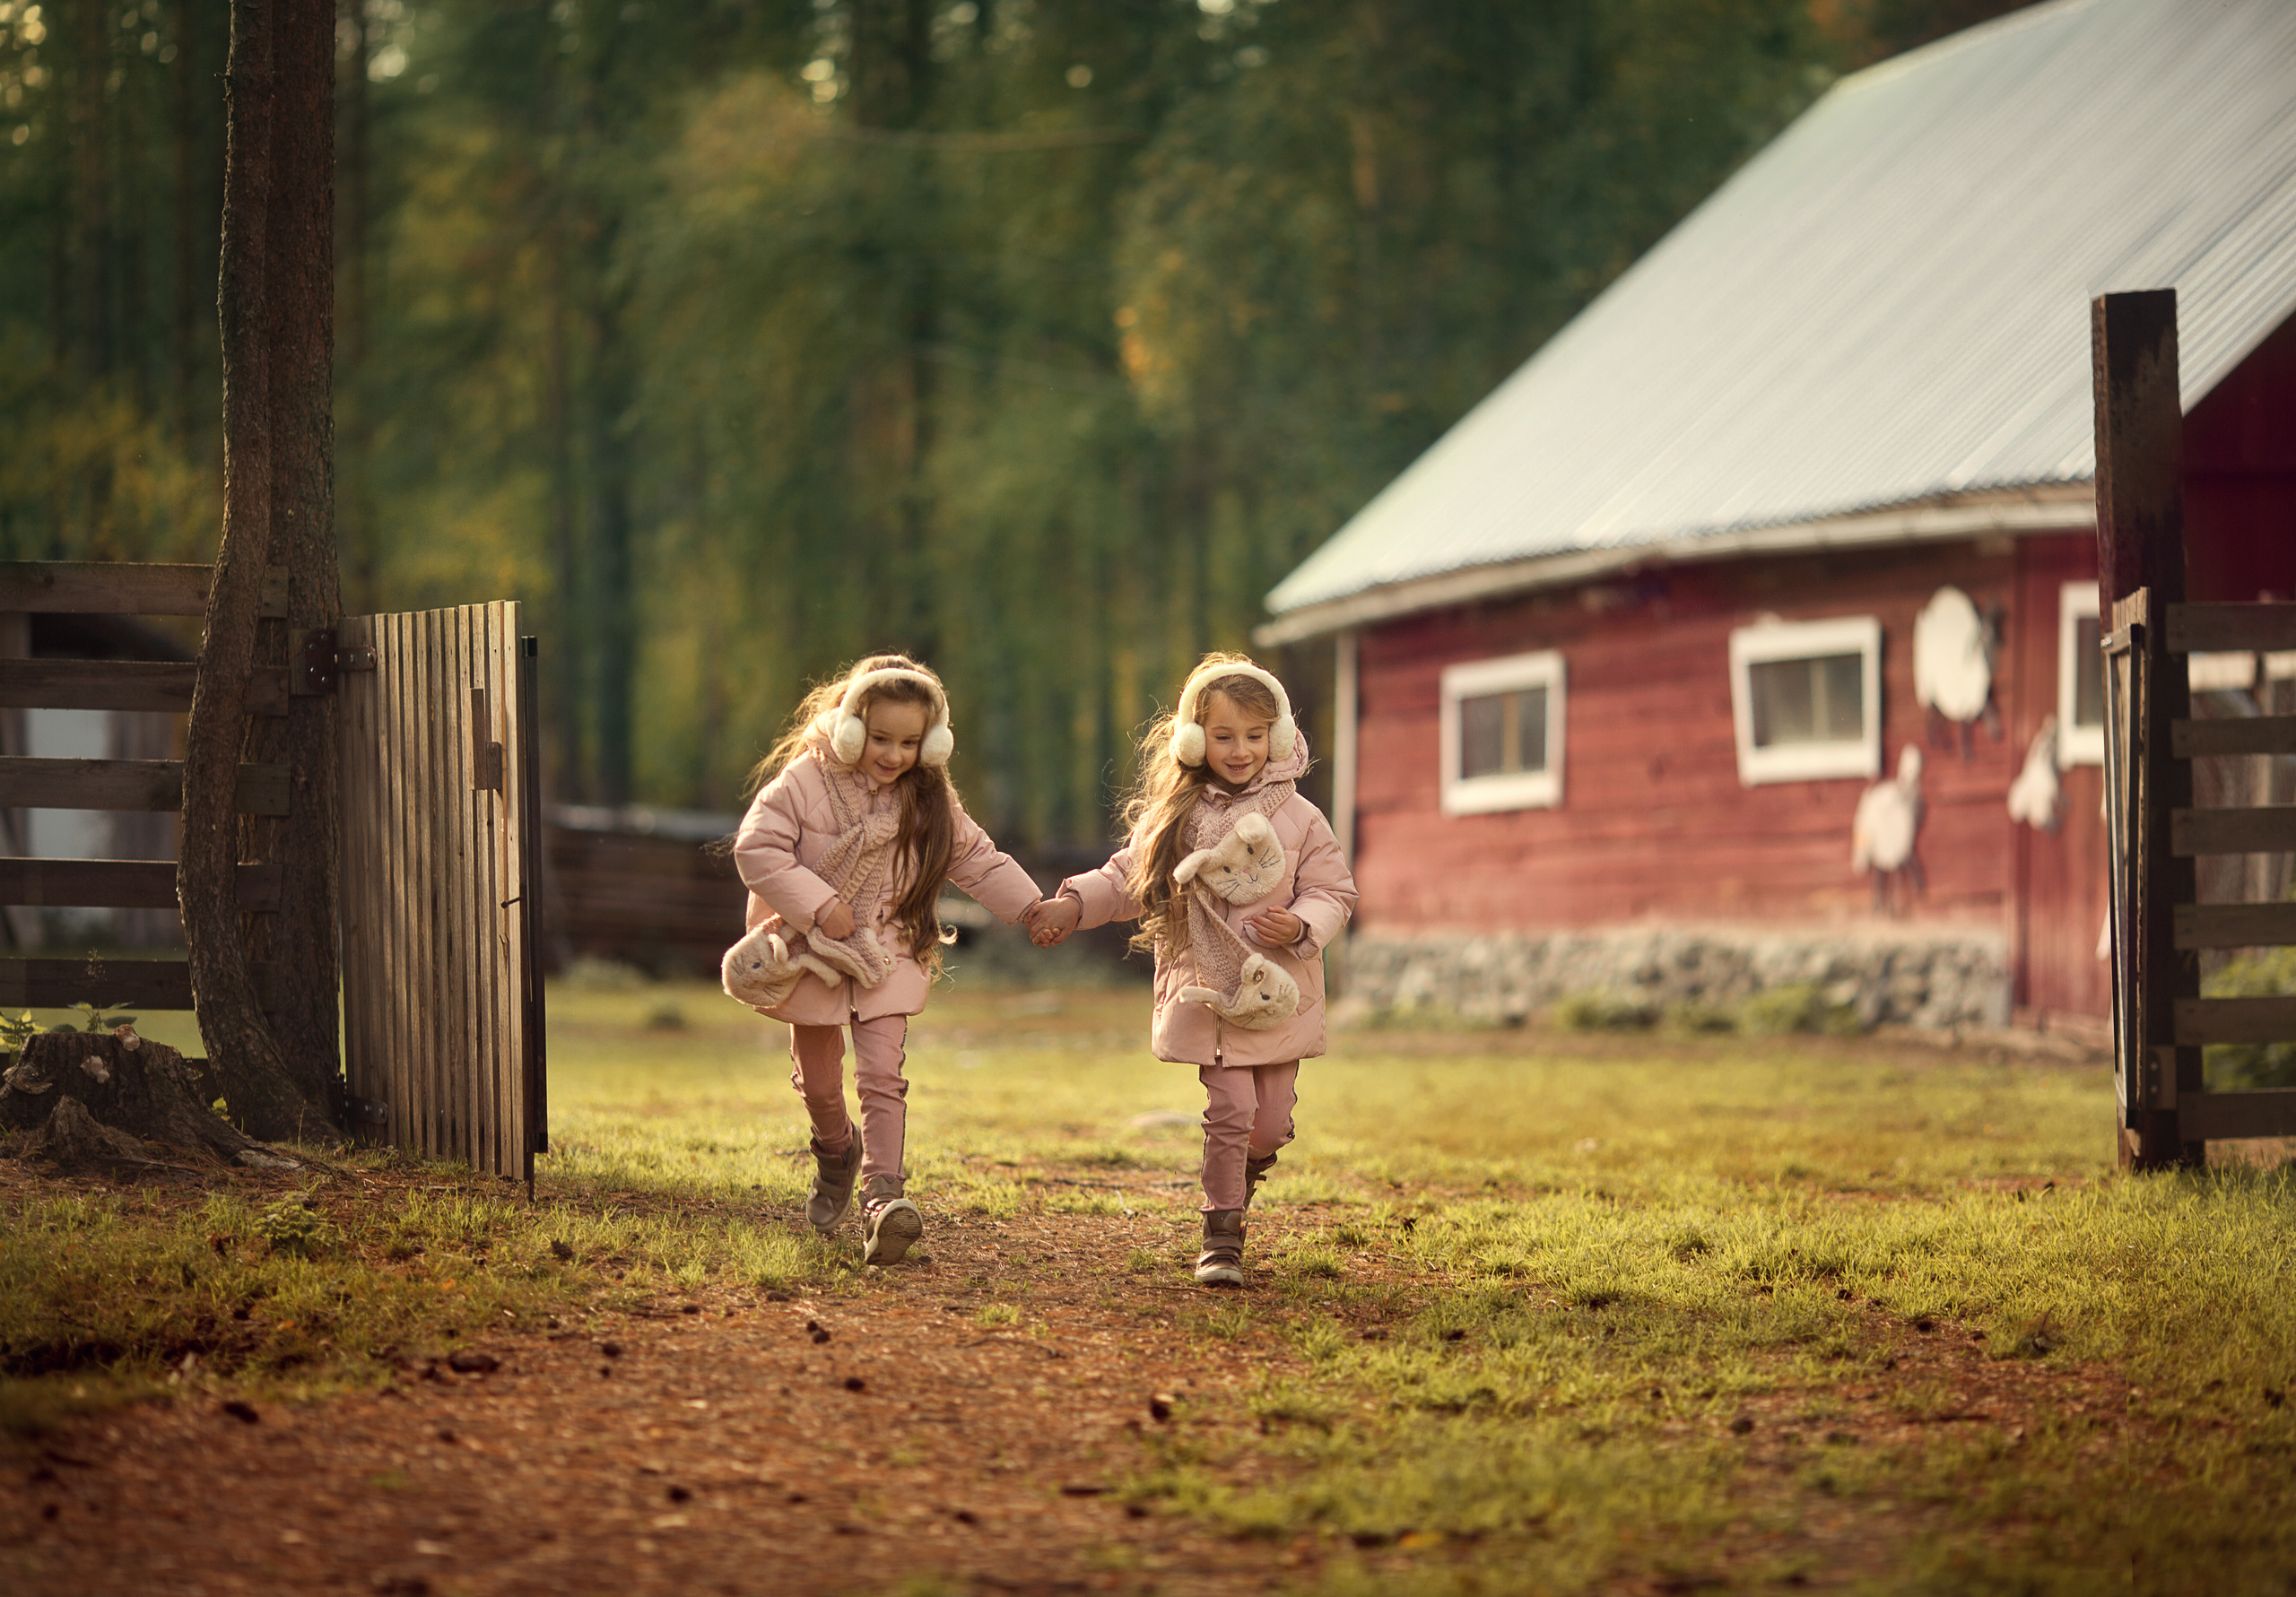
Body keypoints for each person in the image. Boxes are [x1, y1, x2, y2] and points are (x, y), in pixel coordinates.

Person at [1025, 652, 1356, 1286]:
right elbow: (1126, 878)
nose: (1240, 750)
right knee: (1230, 1110)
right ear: (1194, 740)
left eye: (1254, 736)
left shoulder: (1301, 816)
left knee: (1269, 1124)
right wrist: (1073, 904)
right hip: (1212, 993)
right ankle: (1221, 1232)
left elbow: (1333, 890)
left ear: (1278, 737)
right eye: (1224, 736)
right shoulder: (1176, 815)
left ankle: (1247, 1169)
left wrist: (1302, 924)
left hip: (1278, 992)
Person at [733, 655, 1042, 1264]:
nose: (894, 755)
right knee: (820, 1083)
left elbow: (975, 857)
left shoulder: (928, 796)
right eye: (880, 738)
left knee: (882, 1076)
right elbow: (757, 847)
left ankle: (882, 1199)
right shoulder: (805, 779)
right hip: (813, 952)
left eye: (909, 742)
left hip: (887, 949)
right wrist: (821, 906)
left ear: (932, 742)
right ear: (851, 727)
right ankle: (835, 1151)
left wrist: (1033, 908)